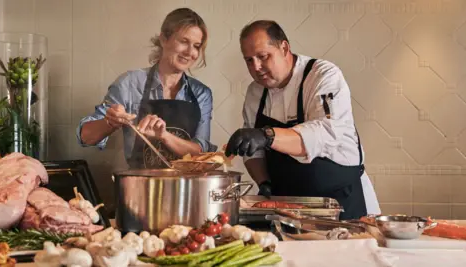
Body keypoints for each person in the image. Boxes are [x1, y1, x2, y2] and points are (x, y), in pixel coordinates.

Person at [224, 20, 380, 220]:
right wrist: (264, 183)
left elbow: (326, 131)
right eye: (249, 60)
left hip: (342, 202)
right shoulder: (255, 92)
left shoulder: (323, 75)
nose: (256, 67)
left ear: (284, 47)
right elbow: (255, 152)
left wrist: (267, 135)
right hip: (287, 206)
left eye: (263, 57)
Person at [76, 8, 217, 169]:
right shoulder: (129, 84)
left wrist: (164, 136)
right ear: (164, 39)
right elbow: (85, 137)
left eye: (197, 46)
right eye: (184, 41)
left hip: (186, 189)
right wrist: (110, 122)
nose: (190, 52)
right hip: (140, 188)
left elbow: (200, 152)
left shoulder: (201, 94)